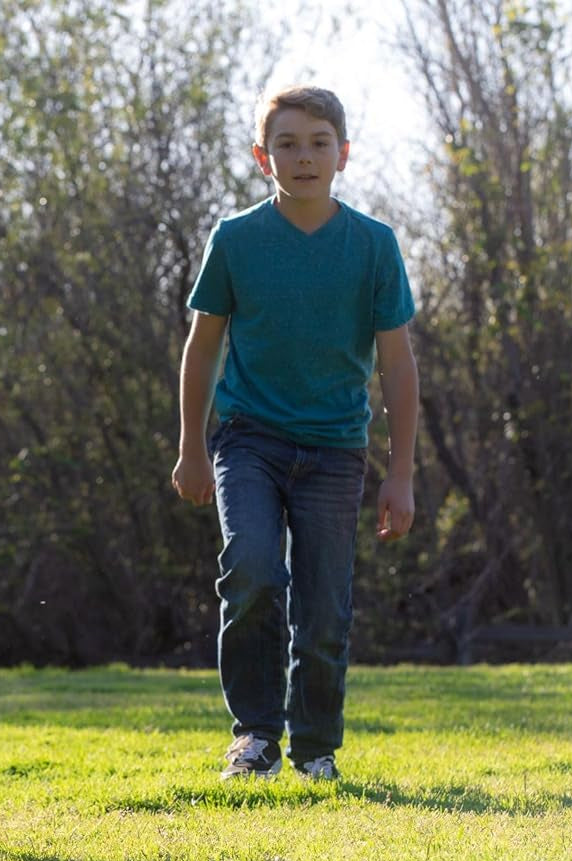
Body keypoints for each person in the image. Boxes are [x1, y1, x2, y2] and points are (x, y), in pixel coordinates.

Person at [171, 84, 420, 781]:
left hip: (338, 450)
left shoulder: (373, 245)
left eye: (318, 143)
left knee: (323, 607)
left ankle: (315, 747)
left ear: (343, 153)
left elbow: (397, 364)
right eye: (287, 143)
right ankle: (254, 736)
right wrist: (192, 447)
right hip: (248, 439)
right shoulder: (237, 239)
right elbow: (202, 348)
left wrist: (400, 474)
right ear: (262, 156)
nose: (303, 156)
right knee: (250, 568)